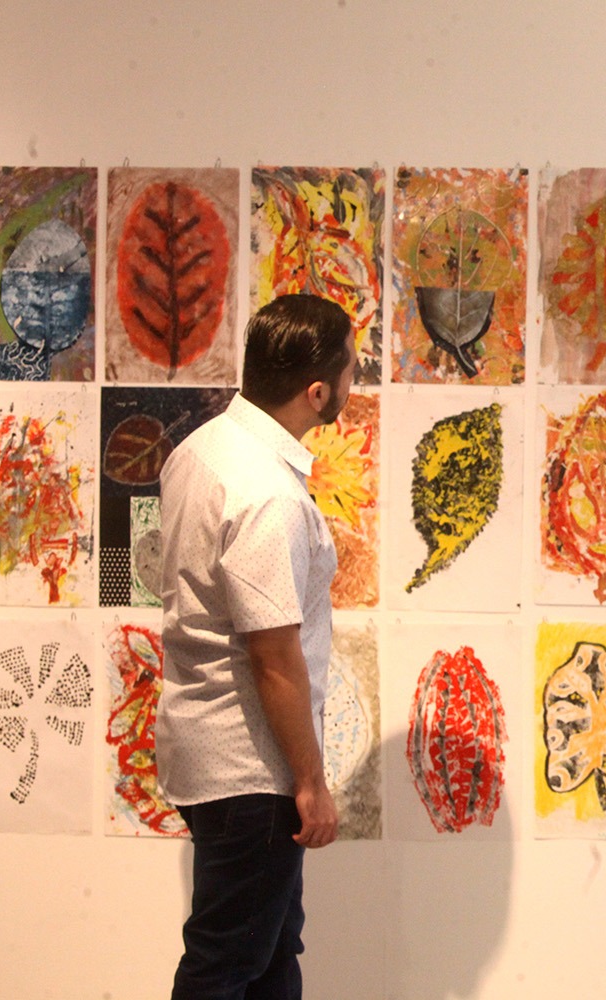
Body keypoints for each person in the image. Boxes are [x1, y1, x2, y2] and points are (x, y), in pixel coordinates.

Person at [156, 293, 357, 1000]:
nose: (354, 380)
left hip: (209, 752)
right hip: (251, 768)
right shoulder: (267, 493)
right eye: (351, 369)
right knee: (226, 965)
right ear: (318, 391)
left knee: (267, 955)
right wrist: (310, 784)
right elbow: (274, 657)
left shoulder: (199, 451)